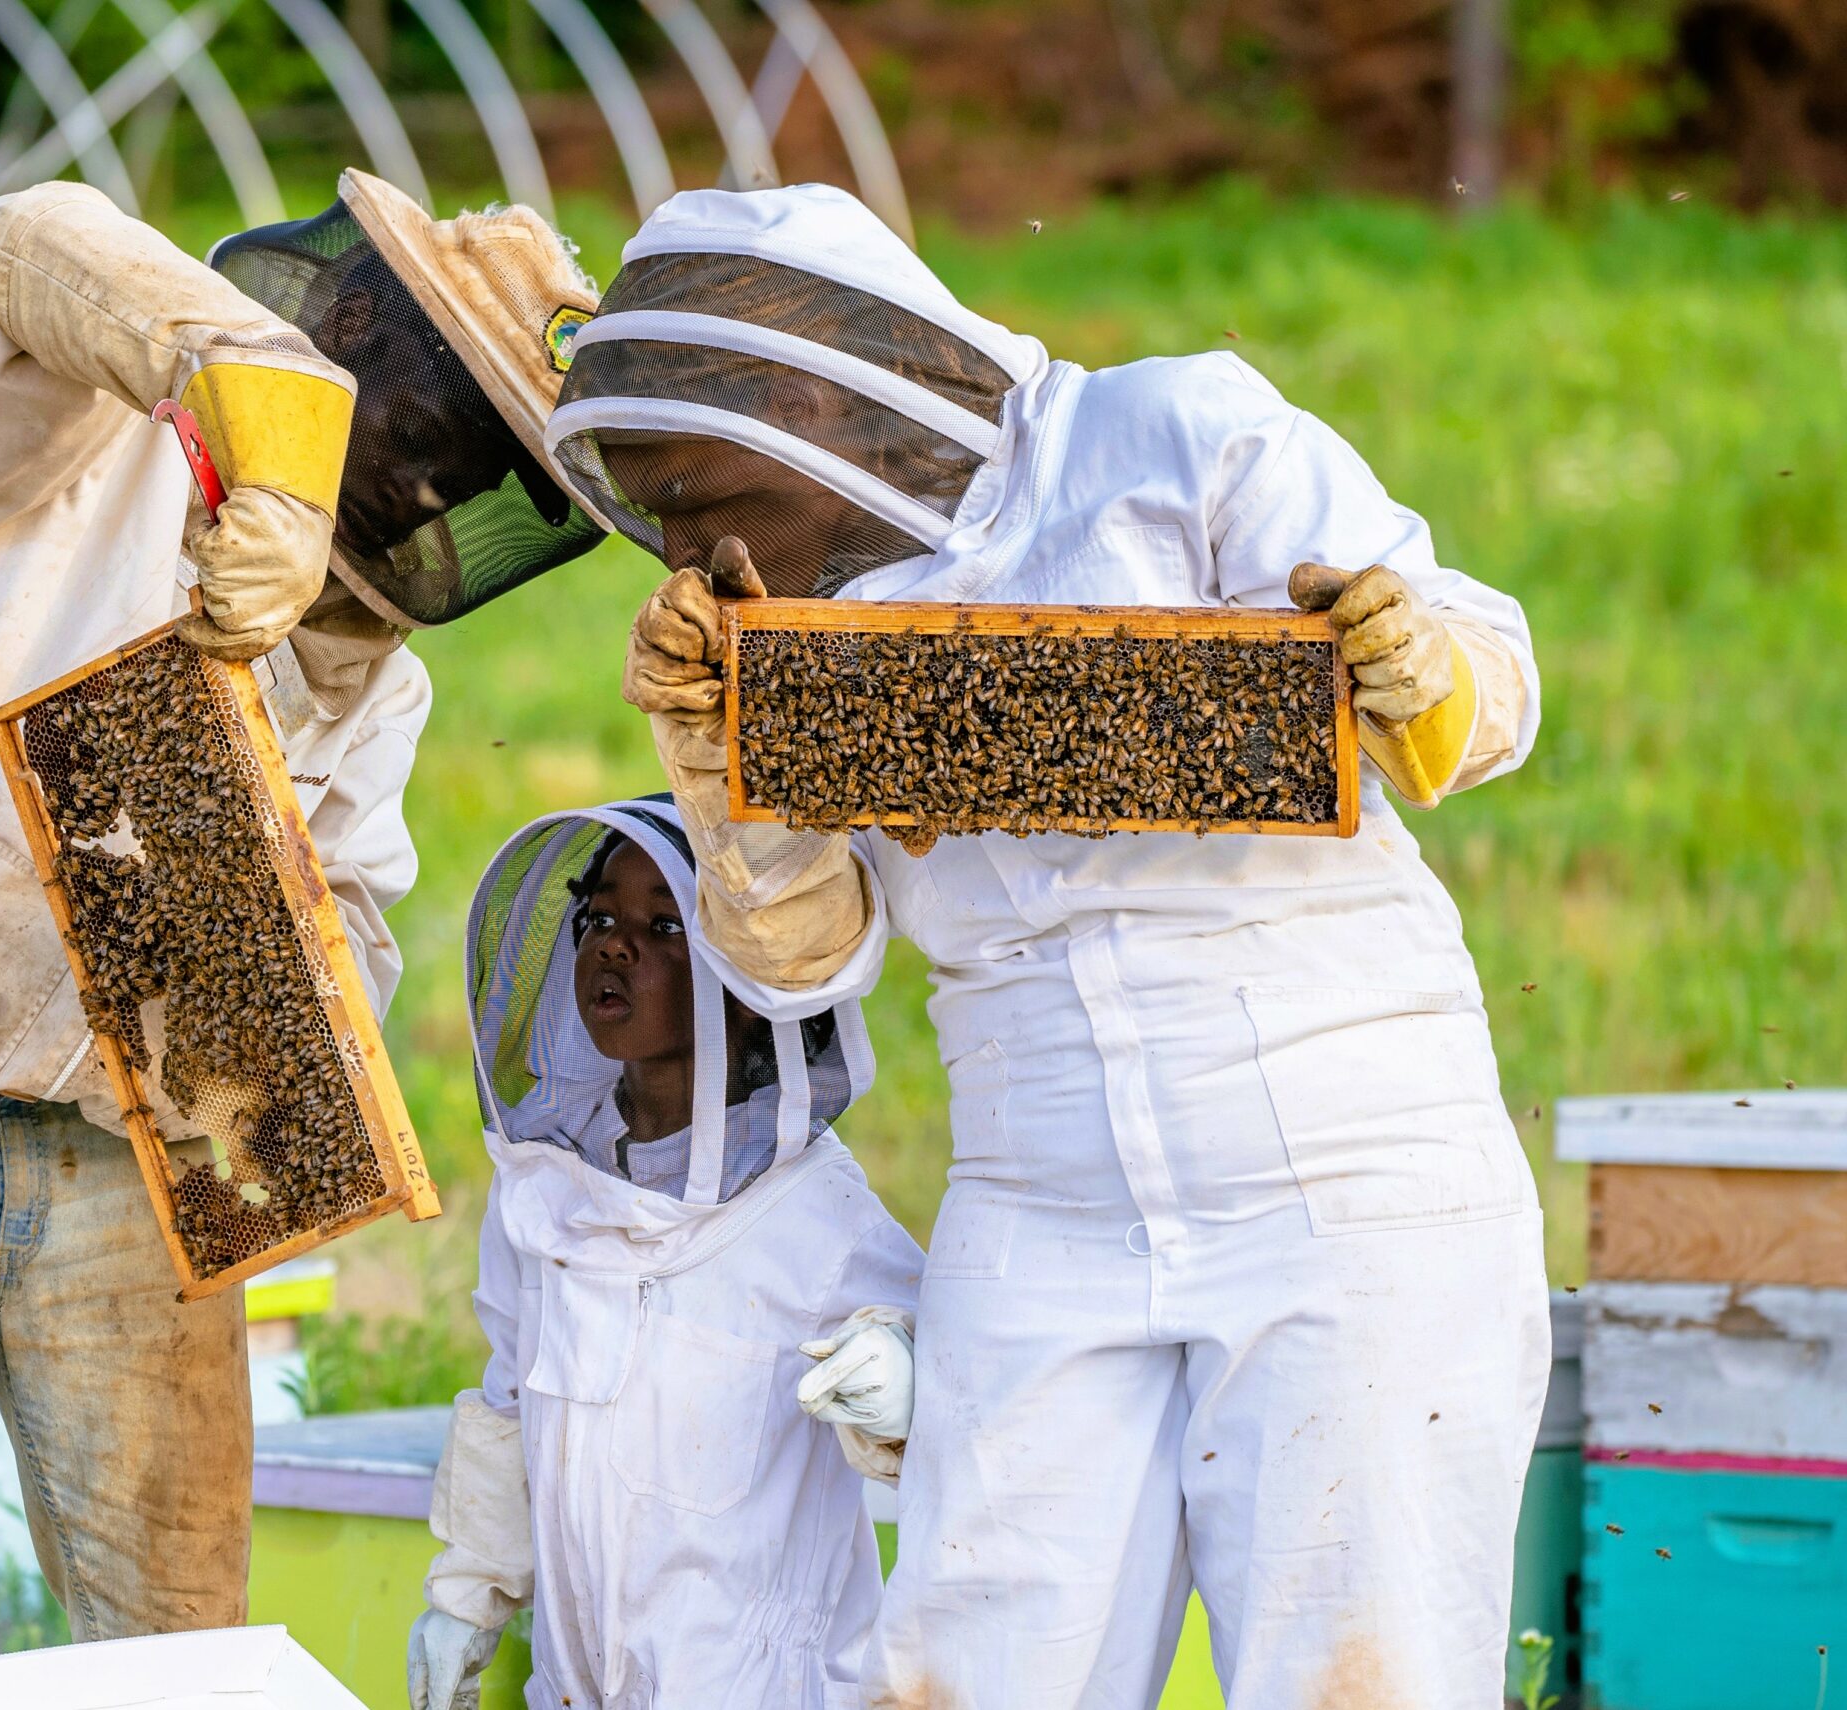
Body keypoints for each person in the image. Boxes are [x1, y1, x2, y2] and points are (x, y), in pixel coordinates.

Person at [546, 185, 1550, 1709]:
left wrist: (1418, 667)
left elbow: (1491, 674)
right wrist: (720, 772)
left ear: (806, 407)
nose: (682, 549)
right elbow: (809, 963)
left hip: (1340, 1148)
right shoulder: (795, 634)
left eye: (692, 497)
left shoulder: (1169, 435)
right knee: (971, 1672)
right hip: (1038, 1188)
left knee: (1362, 1672)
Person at [0, 171, 606, 1706]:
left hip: (134, 1175)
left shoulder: (377, 686)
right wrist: (276, 441)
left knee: (188, 1655)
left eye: (470, 468)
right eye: (428, 425)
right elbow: (24, 235)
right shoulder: (68, 439)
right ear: (353, 320)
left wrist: (277, 981)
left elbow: (348, 948)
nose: (428, 483)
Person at [407, 798, 925, 1710]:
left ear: (749, 982)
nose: (615, 947)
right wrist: (467, 1596)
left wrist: (904, 1380)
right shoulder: (547, 1190)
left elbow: (968, 1397)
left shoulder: (817, 1216)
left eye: (665, 927)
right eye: (600, 918)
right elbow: (510, 1399)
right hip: (575, 1688)